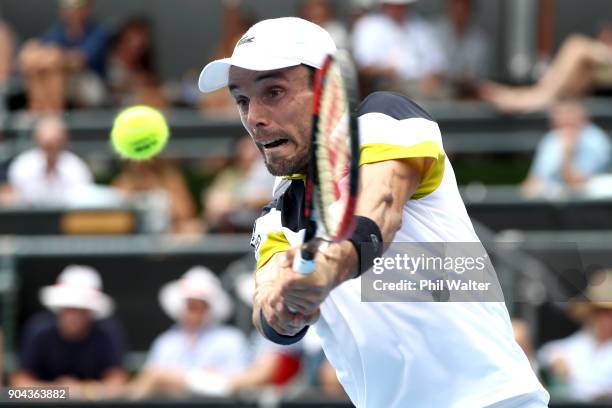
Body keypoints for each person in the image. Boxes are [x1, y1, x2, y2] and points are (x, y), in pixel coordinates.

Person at [197, 17, 549, 407]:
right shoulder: (275, 216)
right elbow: (267, 302)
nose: (254, 117)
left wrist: (325, 270)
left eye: (274, 92)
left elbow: (379, 212)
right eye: (242, 100)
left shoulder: (384, 119)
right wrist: (282, 308)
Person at [127, 266, 249, 399]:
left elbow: (236, 384)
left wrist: (174, 379)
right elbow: (146, 385)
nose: (193, 310)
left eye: (199, 305)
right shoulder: (166, 341)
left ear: (209, 307)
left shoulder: (231, 339)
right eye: (190, 304)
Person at [11, 265, 128, 399]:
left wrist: (83, 390)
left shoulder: (107, 332)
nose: (74, 316)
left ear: (91, 312)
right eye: (69, 308)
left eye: (81, 309)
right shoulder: (39, 330)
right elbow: (19, 385)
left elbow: (118, 384)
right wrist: (59, 392)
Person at [481, 23, 612, 113]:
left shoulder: (583, 50)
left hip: (558, 99)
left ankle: (516, 98)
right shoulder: (588, 61)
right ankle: (516, 98)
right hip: (561, 96)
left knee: (577, 45)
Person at [18, 0, 109, 112]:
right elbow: (40, 51)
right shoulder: (58, 30)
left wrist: (58, 58)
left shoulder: (97, 32)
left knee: (54, 69)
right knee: (38, 65)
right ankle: (39, 112)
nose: (71, 11)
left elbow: (80, 61)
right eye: (67, 7)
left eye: (76, 7)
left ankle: (53, 115)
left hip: (91, 83)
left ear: (87, 9)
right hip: (65, 80)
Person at [538, 269, 612, 401]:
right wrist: (555, 359)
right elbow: (547, 353)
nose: (605, 319)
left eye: (609, 313)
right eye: (600, 312)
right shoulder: (583, 342)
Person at [351, 0, 447, 98]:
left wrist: (432, 78)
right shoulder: (369, 26)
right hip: (388, 87)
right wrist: (389, 72)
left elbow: (438, 64)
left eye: (402, 6)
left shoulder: (421, 27)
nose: (398, 10)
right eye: (393, 6)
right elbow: (364, 66)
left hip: (423, 86)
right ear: (384, 5)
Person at [522, 100, 611, 198]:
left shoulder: (595, 139)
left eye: (569, 113)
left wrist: (567, 153)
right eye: (560, 114)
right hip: (558, 196)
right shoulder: (551, 138)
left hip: (590, 201)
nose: (564, 118)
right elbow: (533, 180)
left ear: (583, 117)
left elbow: (576, 182)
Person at [7, 116, 93, 206]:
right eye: (46, 145)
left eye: (55, 143)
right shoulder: (22, 165)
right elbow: (16, 198)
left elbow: (84, 200)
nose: (51, 149)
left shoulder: (77, 167)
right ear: (37, 141)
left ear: (64, 141)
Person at [202, 135, 275, 233]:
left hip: (263, 227)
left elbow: (269, 198)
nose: (251, 152)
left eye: (253, 146)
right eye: (246, 147)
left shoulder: (269, 171)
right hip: (233, 228)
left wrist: (237, 203)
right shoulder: (230, 174)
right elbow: (213, 204)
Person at [433, 0, 489, 99]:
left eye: (463, 10)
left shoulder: (479, 39)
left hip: (467, 96)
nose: (459, 13)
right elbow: (434, 72)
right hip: (438, 94)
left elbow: (475, 77)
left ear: (470, 12)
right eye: (456, 8)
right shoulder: (436, 32)